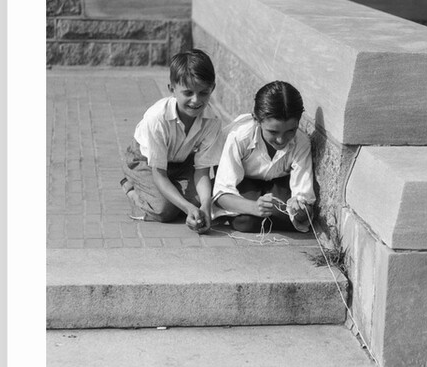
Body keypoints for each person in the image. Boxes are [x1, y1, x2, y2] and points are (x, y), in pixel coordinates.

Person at [120, 50, 223, 231]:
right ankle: (130, 186)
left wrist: (205, 207)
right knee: (165, 211)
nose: (196, 100)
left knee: (204, 199)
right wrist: (188, 207)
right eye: (188, 92)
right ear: (172, 89)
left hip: (182, 162)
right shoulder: (156, 118)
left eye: (203, 93)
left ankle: (173, 192)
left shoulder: (212, 121)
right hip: (146, 161)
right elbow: (159, 173)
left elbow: (202, 171)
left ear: (212, 88)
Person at [211, 80, 315, 233]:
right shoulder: (239, 136)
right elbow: (221, 194)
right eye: (273, 132)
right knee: (245, 221)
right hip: (243, 180)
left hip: (276, 183)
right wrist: (254, 207)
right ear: (256, 118)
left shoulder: (301, 142)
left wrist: (300, 209)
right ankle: (261, 214)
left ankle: (269, 215)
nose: (281, 140)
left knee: (287, 214)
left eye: (290, 131)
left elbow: (304, 197)